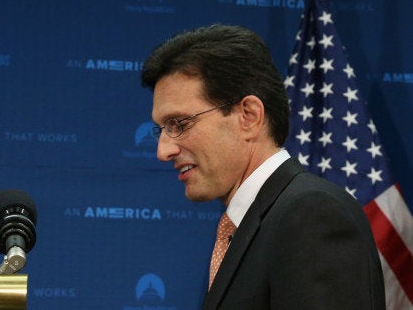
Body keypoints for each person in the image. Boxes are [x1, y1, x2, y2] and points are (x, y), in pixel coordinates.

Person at [141, 24, 385, 309]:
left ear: (249, 116)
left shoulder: (312, 214)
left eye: (179, 124)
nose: (163, 151)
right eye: (161, 129)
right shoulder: (248, 224)